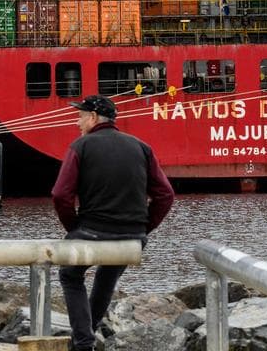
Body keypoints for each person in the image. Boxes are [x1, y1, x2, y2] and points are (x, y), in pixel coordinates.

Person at [51, 95, 175, 351]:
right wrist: (143, 228)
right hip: (132, 236)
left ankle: (83, 342)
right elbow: (165, 195)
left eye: (80, 116)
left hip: (92, 232)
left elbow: (61, 195)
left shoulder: (80, 147)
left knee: (70, 275)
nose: (77, 122)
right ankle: (88, 334)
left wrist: (74, 228)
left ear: (93, 117)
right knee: (106, 277)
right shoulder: (142, 147)